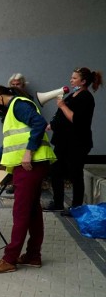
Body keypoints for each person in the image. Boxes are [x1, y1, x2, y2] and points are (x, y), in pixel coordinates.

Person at [0, 86, 57, 273]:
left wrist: (28, 153)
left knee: (21, 212)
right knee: (32, 211)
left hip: (29, 165)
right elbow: (9, 144)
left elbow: (40, 124)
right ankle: (33, 255)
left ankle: (10, 259)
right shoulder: (16, 108)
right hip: (30, 165)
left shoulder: (18, 105)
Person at [45, 67, 103, 214]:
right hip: (63, 142)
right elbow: (63, 116)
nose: (71, 80)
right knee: (55, 171)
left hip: (76, 144)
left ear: (83, 81)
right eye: (71, 77)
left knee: (75, 174)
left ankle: (76, 207)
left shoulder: (86, 97)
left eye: (75, 78)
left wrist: (63, 105)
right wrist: (53, 124)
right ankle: (58, 203)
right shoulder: (73, 95)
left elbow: (75, 119)